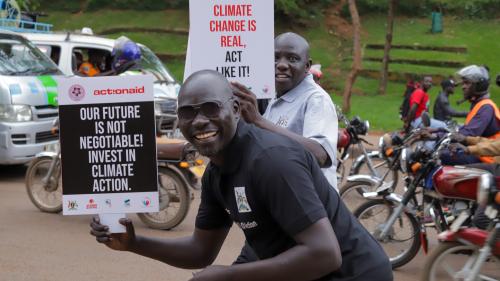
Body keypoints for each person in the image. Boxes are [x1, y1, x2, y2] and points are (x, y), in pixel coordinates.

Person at [90, 70, 393, 281]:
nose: (199, 121)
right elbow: (200, 251)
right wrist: (133, 243)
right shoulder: (216, 173)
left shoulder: (272, 161)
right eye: (187, 112)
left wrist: (231, 275)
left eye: (211, 108)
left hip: (353, 274)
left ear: (235, 109)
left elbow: (326, 254)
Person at [233, 32, 338, 190]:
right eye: (275, 58)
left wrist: (259, 121)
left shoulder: (316, 99)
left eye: (293, 59)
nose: (281, 64)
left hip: (315, 207)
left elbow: (320, 155)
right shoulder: (275, 98)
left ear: (307, 66)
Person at [440, 65, 500, 165]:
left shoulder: (486, 107)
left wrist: (467, 148)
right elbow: (466, 134)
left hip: (489, 158)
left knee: (445, 155)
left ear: (479, 86)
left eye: (467, 83)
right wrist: (438, 133)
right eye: (463, 83)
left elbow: (469, 132)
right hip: (483, 151)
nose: (463, 87)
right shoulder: (480, 105)